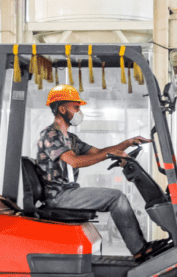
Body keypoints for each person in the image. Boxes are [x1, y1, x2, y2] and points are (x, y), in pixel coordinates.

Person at [37, 84, 160, 261]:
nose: (79, 111)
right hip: (59, 196)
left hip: (69, 192)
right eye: (76, 107)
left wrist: (127, 143)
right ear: (62, 108)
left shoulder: (70, 138)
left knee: (116, 196)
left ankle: (140, 248)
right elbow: (75, 161)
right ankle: (140, 250)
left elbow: (98, 152)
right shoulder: (50, 135)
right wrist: (110, 154)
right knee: (116, 197)